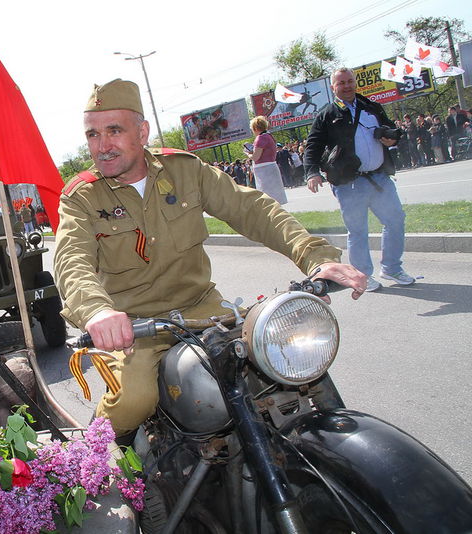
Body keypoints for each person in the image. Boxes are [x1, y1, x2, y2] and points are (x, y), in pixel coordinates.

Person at [54, 78, 367, 442]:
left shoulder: (185, 170)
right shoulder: (82, 197)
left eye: (114, 130)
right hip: (134, 328)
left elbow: (252, 209)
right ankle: (102, 460)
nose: (102, 145)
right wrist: (97, 313)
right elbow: (71, 260)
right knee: (133, 401)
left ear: (142, 132)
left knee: (280, 361)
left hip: (203, 310)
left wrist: (315, 257)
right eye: (93, 134)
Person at [304, 67, 415, 292]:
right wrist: (312, 172)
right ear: (333, 87)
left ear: (355, 83)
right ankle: (363, 275)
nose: (346, 86)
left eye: (349, 81)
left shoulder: (371, 107)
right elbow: (313, 145)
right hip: (348, 183)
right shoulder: (327, 114)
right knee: (358, 230)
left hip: (379, 178)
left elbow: (392, 132)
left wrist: (391, 139)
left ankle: (392, 267)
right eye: (341, 83)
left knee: (395, 221)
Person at [244, 116, 287, 204]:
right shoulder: (269, 136)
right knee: (276, 197)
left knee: (267, 198)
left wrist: (248, 154)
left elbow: (256, 157)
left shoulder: (260, 138)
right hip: (271, 167)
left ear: (255, 128)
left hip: (264, 170)